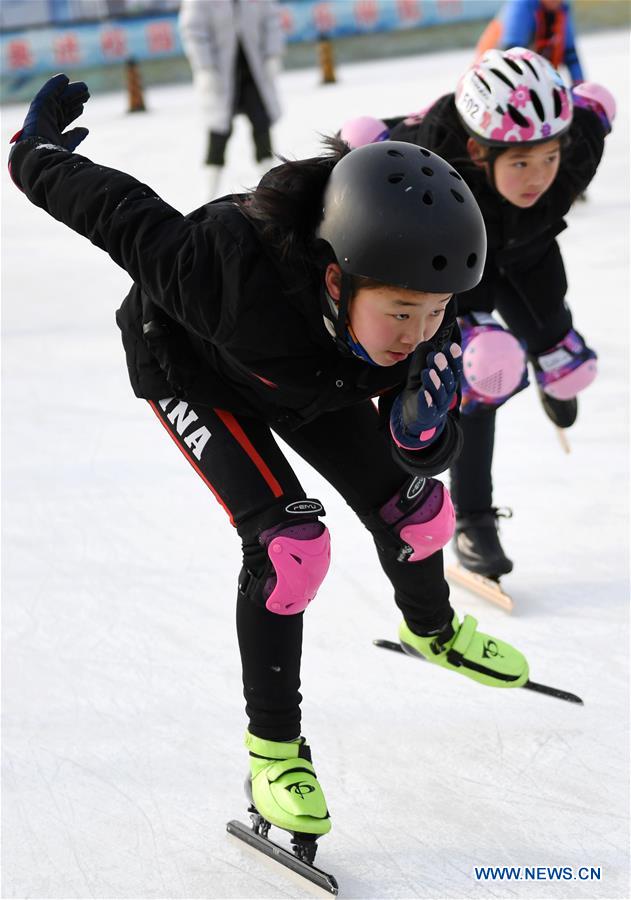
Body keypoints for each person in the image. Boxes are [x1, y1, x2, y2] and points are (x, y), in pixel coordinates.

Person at [8, 74, 531, 851]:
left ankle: (431, 628)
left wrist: (425, 435)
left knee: (421, 514)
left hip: (309, 375)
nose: (418, 333)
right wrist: (33, 150)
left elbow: (421, 449)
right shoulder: (215, 270)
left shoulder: (419, 317)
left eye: (434, 313)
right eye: (399, 313)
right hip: (193, 365)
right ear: (334, 278)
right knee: (291, 550)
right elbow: (110, 207)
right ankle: (273, 757)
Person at [378, 48, 615, 579]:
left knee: (569, 365)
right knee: (483, 371)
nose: (539, 178)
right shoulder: (431, 161)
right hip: (465, 270)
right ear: (478, 153)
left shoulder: (578, 146)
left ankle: (557, 378)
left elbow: (598, 107)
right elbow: (373, 145)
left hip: (532, 256)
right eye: (521, 163)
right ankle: (474, 520)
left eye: (550, 158)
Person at [178, 0, 284, 197]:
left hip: (253, 72)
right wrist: (205, 67)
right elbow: (193, 31)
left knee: (261, 124)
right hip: (221, 74)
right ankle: (208, 193)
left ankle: (270, 191)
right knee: (218, 132)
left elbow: (271, 21)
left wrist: (272, 54)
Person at [475, 0, 585, 85]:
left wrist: (579, 90)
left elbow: (571, 56)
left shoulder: (562, 10)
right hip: (493, 77)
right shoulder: (522, 5)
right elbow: (510, 54)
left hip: (536, 80)